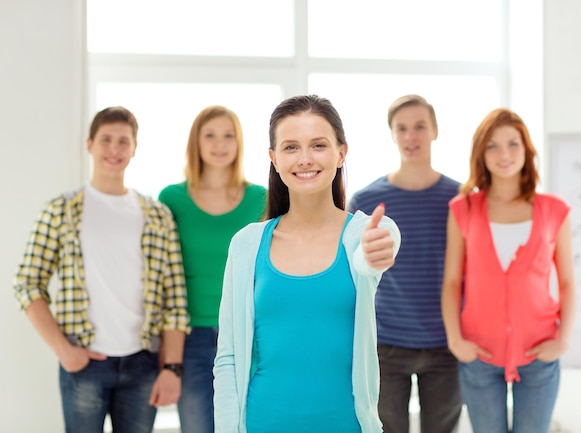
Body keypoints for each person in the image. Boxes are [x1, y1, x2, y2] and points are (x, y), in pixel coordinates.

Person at [213, 94, 401, 433]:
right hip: (262, 423)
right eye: (290, 148)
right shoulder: (246, 244)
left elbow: (374, 256)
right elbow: (227, 358)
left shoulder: (365, 234)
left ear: (341, 153)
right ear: (273, 159)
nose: (304, 159)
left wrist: (373, 256)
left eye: (318, 145)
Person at [13, 106, 189, 433]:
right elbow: (27, 283)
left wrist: (172, 368)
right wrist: (63, 350)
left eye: (123, 141)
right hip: (84, 364)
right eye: (106, 139)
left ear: (134, 149)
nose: (114, 149)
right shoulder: (60, 210)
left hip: (142, 364)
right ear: (90, 144)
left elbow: (174, 299)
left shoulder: (157, 215)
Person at [441, 108, 576, 433]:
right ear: (481, 153)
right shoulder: (464, 209)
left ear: (527, 150)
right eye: (493, 145)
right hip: (479, 354)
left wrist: (563, 341)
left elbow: (568, 282)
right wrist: (456, 341)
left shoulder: (554, 210)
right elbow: (451, 282)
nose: (504, 154)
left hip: (539, 351)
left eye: (513, 144)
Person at [348, 94, 462, 433]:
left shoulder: (459, 199)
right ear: (392, 134)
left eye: (419, 127)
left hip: (445, 345)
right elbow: (354, 274)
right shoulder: (366, 200)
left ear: (435, 131)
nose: (411, 136)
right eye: (402, 128)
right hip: (385, 344)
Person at [159, 105, 267, 433]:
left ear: (239, 143)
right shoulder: (172, 198)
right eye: (210, 135)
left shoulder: (260, 198)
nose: (219, 144)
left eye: (228, 136)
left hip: (246, 332)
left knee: (248, 425)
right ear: (196, 142)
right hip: (190, 338)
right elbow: (164, 277)